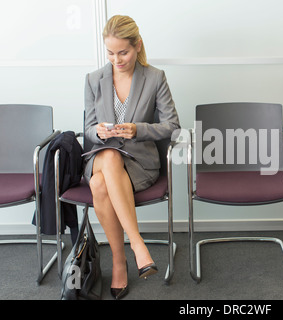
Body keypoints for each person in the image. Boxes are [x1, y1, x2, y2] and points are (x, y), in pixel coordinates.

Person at [83, 15, 180, 299]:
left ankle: (118, 261)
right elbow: (86, 130)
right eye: (111, 53)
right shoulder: (93, 80)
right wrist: (98, 132)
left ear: (137, 45)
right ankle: (137, 245)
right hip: (102, 155)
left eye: (123, 52)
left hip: (139, 162)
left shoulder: (155, 78)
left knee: (99, 185)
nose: (117, 59)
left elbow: (172, 126)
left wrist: (138, 129)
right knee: (110, 156)